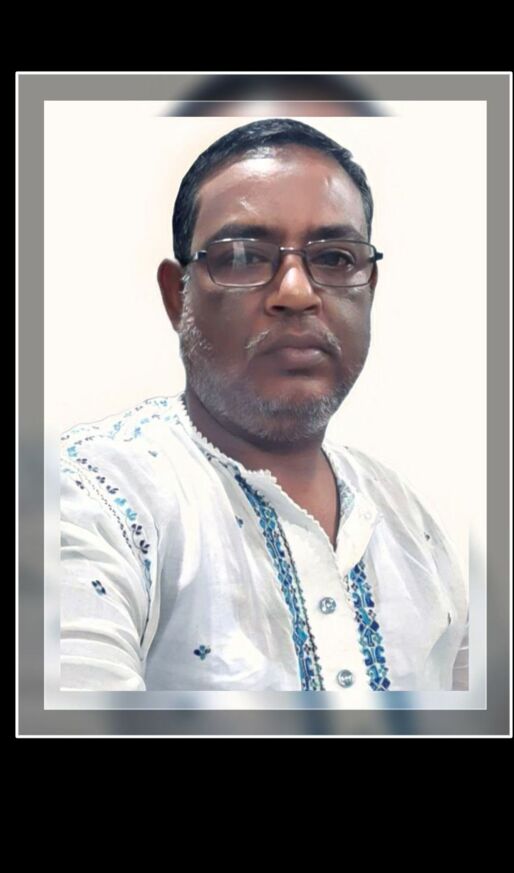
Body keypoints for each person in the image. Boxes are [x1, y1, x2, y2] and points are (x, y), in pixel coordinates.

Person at [59, 118, 469, 693]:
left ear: (369, 288)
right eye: (243, 256)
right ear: (177, 296)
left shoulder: (411, 526)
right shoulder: (86, 496)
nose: (297, 292)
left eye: (335, 258)